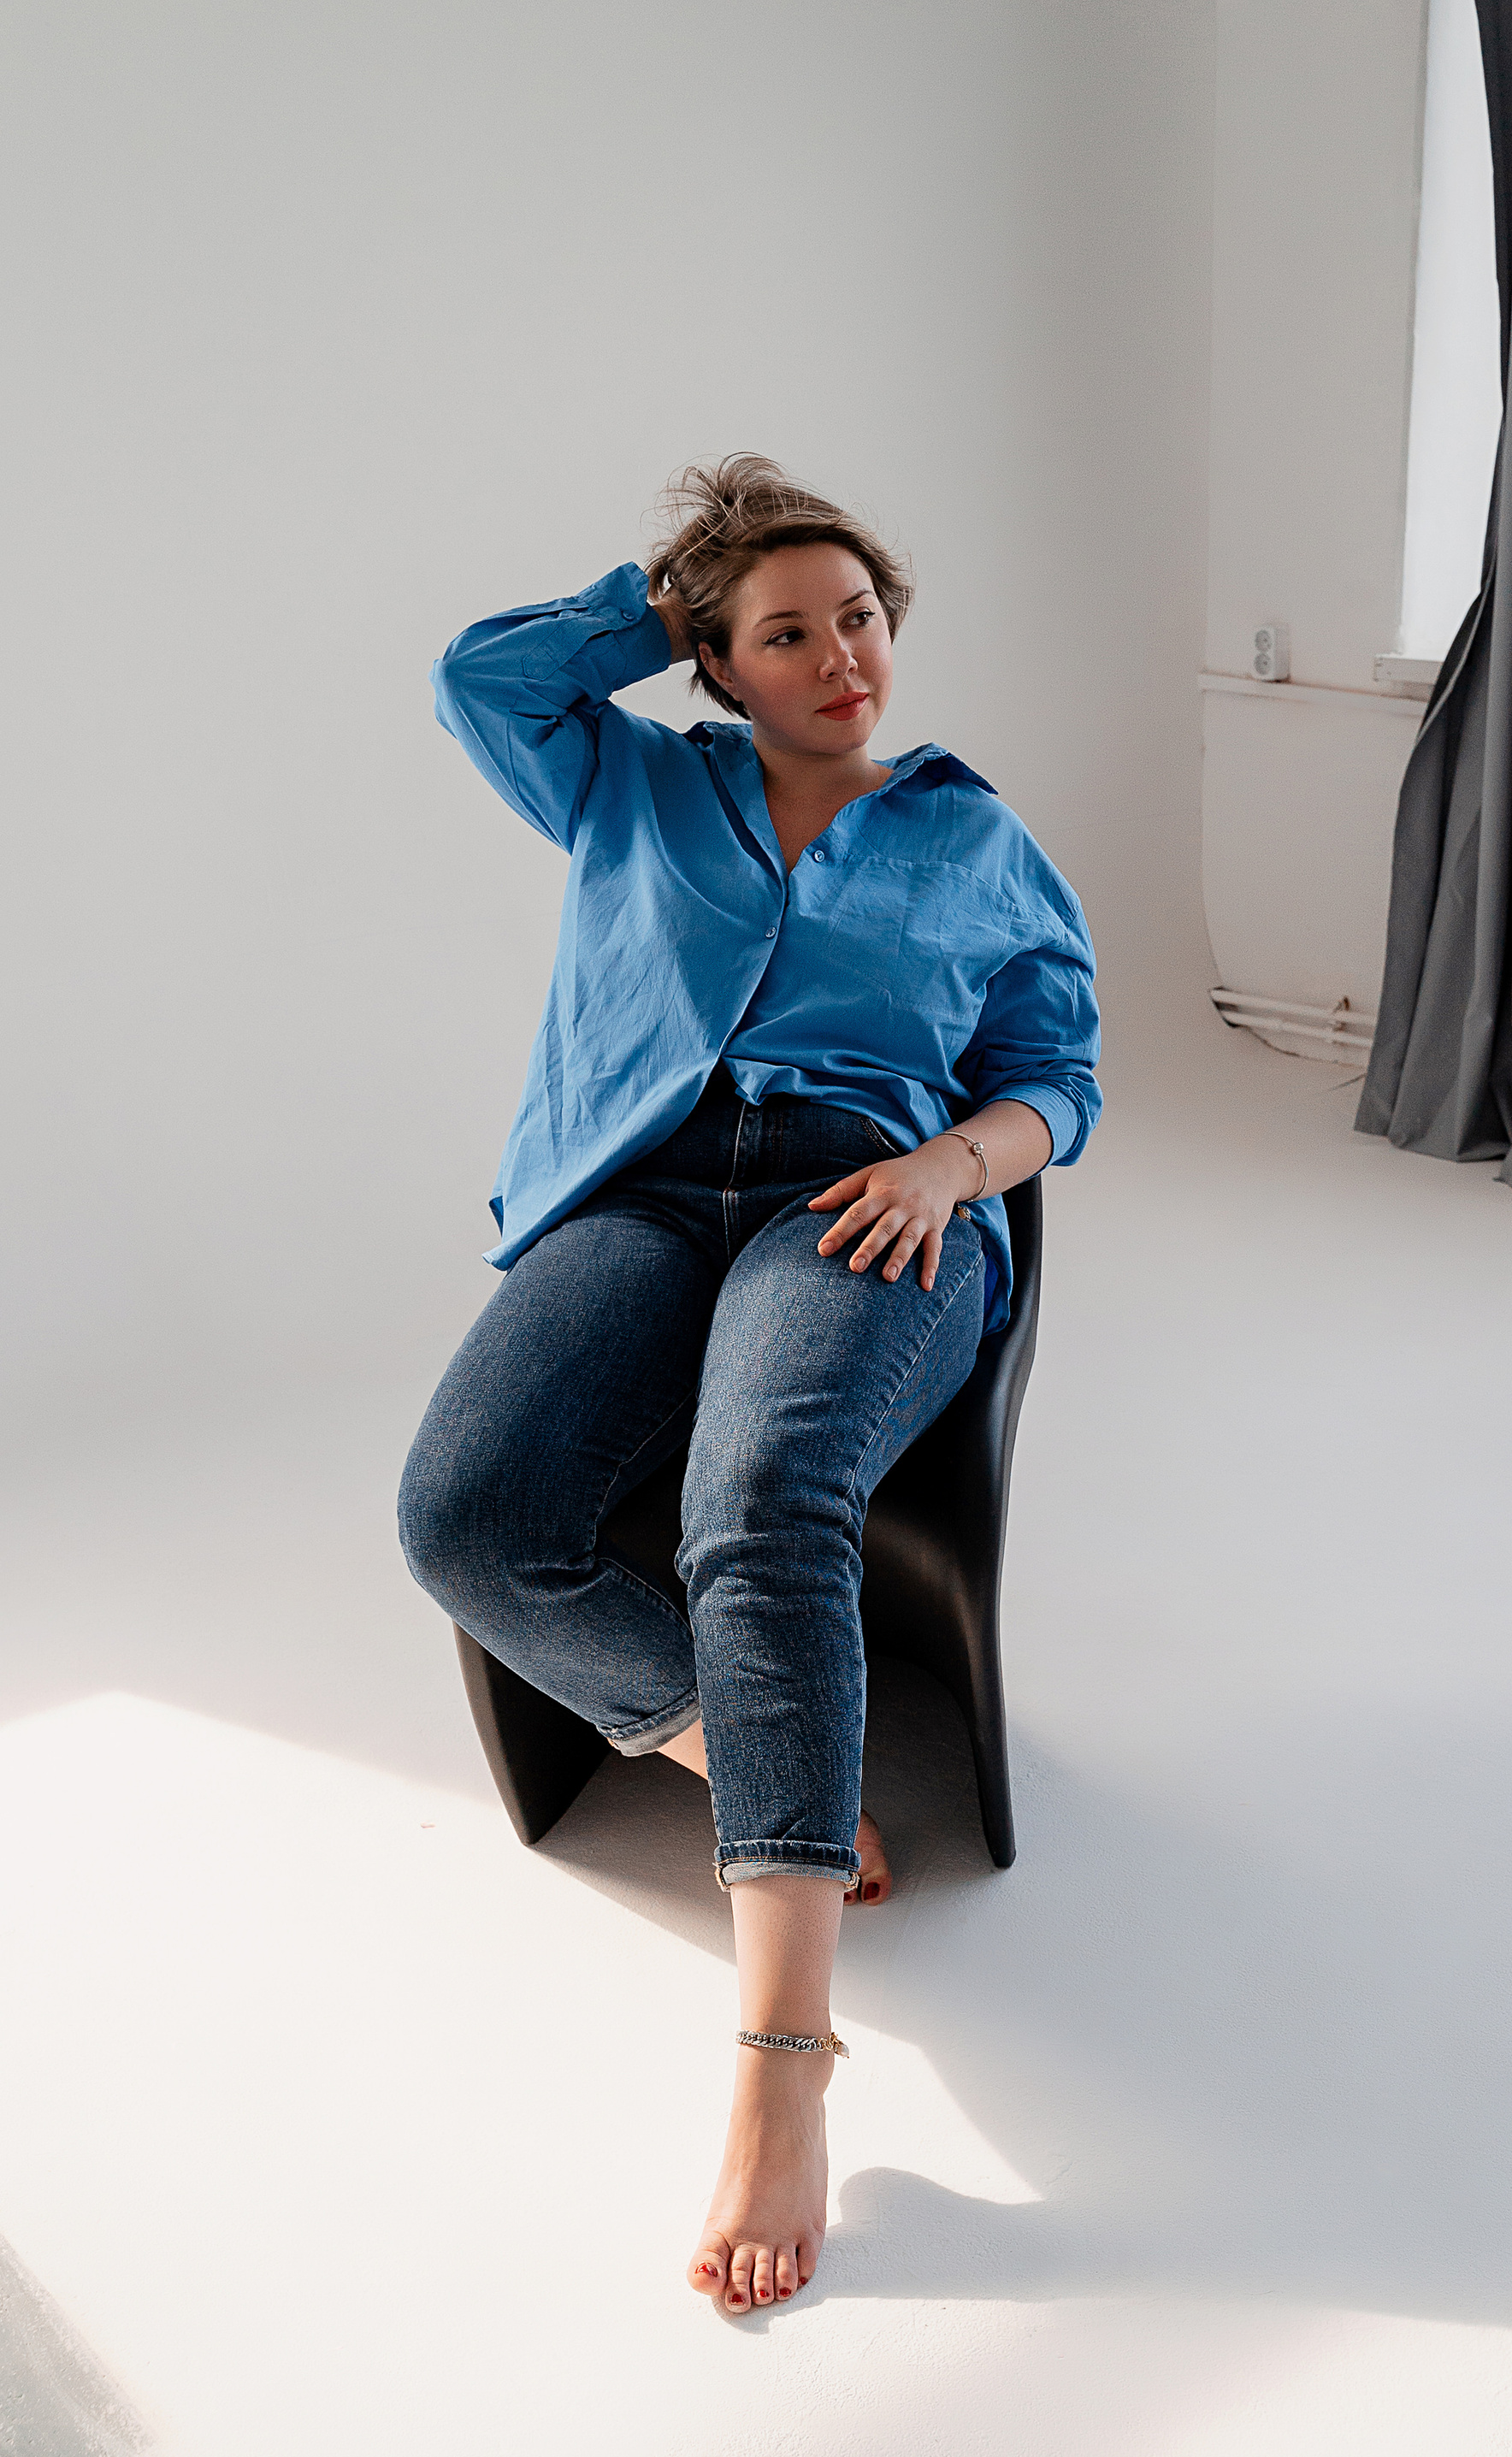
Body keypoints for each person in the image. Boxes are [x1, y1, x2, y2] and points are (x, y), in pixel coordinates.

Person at [398, 455, 1100, 2315]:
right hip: (637, 1199)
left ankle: (783, 2064)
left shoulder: (972, 835)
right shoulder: (628, 778)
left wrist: (949, 1168)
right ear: (712, 660)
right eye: (785, 633)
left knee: (761, 1501)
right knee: (463, 1515)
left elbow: (1061, 1078)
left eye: (859, 616)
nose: (841, 657)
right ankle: (740, 1741)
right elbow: (479, 676)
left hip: (858, 1200)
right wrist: (673, 586)